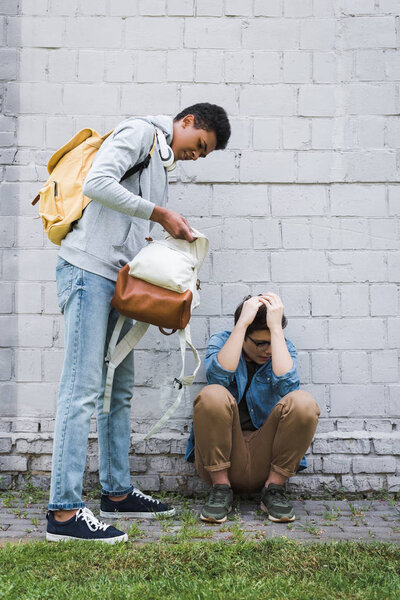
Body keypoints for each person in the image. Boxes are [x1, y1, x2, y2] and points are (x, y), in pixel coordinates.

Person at [45, 103, 231, 543]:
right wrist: (160, 213)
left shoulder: (160, 160)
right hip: (88, 274)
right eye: (199, 145)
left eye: (205, 155)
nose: (196, 156)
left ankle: (116, 491)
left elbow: (129, 227)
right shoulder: (138, 133)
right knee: (82, 389)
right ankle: (65, 512)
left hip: (117, 283)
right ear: (186, 122)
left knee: (117, 388)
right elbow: (97, 183)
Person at [185, 293, 320, 524]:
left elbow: (289, 385)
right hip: (225, 460)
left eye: (272, 342)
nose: (267, 350)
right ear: (243, 333)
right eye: (260, 343)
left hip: (266, 462)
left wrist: (276, 329)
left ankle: (274, 490)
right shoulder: (222, 341)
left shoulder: (283, 348)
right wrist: (242, 324)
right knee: (212, 395)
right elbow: (217, 377)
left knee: (303, 402)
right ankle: (221, 489)